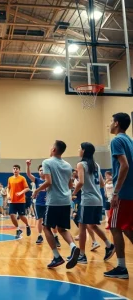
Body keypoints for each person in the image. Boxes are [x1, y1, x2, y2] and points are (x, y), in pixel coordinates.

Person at [33, 140, 80, 269]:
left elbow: (48, 182)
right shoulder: (67, 165)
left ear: (54, 149)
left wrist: (37, 190)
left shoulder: (47, 162)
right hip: (66, 201)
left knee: (46, 227)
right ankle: (73, 246)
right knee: (62, 228)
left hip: (53, 201)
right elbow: (70, 185)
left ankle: (57, 256)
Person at [72, 142, 115, 264]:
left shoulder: (81, 164)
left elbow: (80, 182)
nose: (78, 150)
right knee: (92, 225)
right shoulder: (96, 165)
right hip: (98, 199)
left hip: (88, 200)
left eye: (80, 148)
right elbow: (102, 183)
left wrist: (73, 193)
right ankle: (109, 245)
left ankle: (82, 255)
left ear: (84, 151)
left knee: (82, 227)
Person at [104, 113, 133, 279]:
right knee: (127, 228)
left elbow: (125, 165)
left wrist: (115, 192)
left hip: (122, 193)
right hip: (130, 192)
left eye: (110, 121)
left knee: (115, 227)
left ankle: (121, 268)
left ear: (116, 123)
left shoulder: (116, 141)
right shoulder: (130, 140)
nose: (109, 124)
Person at [26, 161, 60, 247]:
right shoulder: (37, 180)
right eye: (40, 170)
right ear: (38, 172)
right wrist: (28, 165)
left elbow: (55, 190)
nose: (41, 171)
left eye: (43, 170)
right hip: (39, 203)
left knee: (52, 221)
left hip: (50, 203)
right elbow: (29, 174)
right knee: (40, 220)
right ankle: (40, 236)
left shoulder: (50, 180)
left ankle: (55, 237)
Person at [7, 165, 31, 239]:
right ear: (12, 170)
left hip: (21, 201)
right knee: (11, 215)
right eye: (14, 169)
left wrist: (20, 193)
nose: (15, 170)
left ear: (19, 170)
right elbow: (8, 188)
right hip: (12, 201)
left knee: (21, 216)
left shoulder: (22, 178)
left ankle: (27, 225)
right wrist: (8, 195)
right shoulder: (10, 179)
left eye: (16, 169)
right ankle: (18, 229)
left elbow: (27, 188)